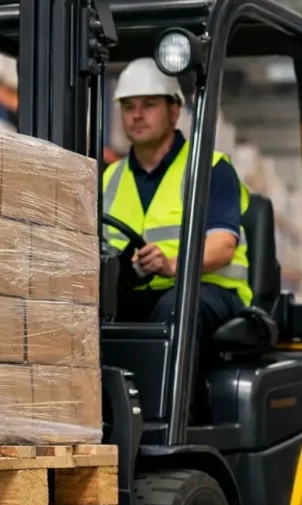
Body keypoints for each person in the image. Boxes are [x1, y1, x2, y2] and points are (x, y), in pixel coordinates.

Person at [103, 58, 253, 347]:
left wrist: (172, 264)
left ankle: (178, 394)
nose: (137, 115)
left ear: (174, 111)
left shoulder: (210, 168)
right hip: (139, 292)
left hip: (207, 290)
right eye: (128, 106)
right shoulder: (109, 178)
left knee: (175, 309)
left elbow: (222, 246)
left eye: (149, 105)